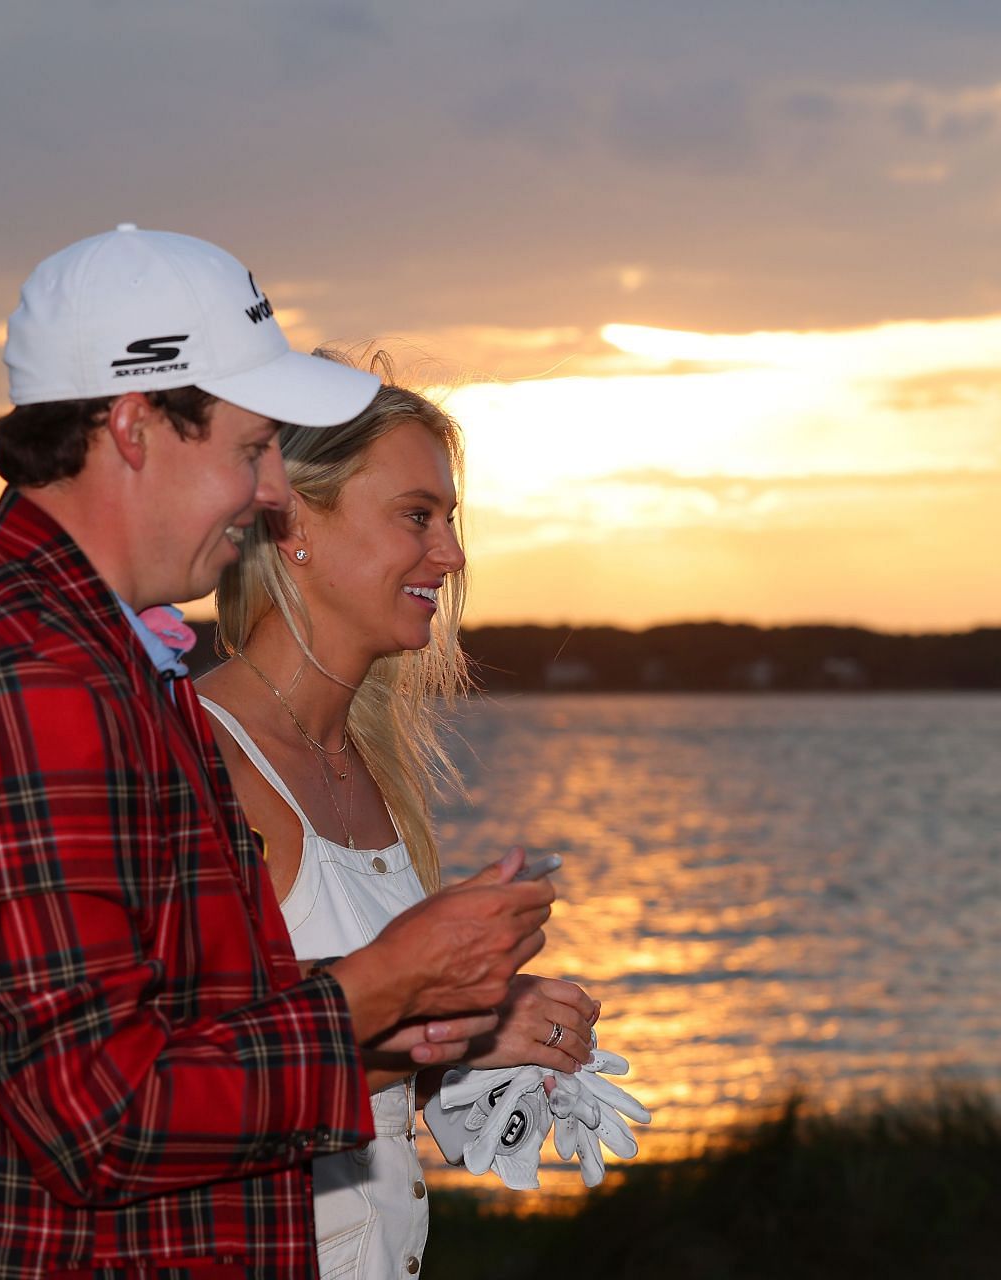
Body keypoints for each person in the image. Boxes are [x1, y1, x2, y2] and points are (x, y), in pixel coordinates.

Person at [0, 227, 554, 1278]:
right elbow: (105, 1112)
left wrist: (421, 1014)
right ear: (135, 425)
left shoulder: (91, 658)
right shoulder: (38, 685)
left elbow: (169, 1011)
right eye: (251, 445)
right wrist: (384, 986)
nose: (271, 488)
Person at [197, 353, 600, 1276]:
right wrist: (457, 1021)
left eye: (449, 521)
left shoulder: (370, 767)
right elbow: (201, 1085)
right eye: (417, 516)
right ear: (293, 519)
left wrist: (485, 1028)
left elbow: (342, 1062)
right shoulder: (201, 759)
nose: (452, 555)